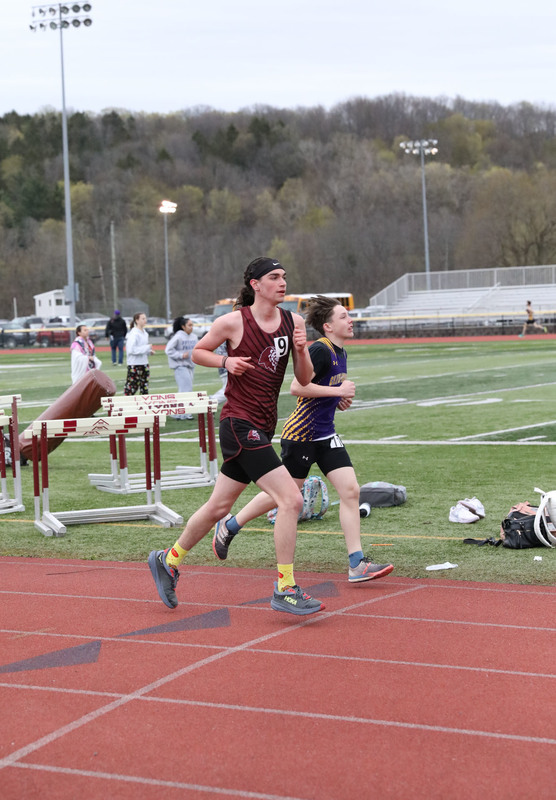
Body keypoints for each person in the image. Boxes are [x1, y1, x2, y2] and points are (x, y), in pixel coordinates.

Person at [148, 256, 325, 616]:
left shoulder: (293, 321)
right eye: (274, 277)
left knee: (218, 507)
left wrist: (303, 350)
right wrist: (225, 362)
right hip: (238, 424)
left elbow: (304, 380)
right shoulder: (232, 321)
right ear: (255, 284)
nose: (282, 282)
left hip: (262, 425)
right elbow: (198, 352)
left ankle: (169, 559)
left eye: (284, 276)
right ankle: (285, 587)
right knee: (290, 499)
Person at [212, 295, 394, 583]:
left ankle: (357, 564)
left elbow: (324, 390)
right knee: (285, 496)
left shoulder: (341, 351)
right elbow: (297, 387)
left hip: (326, 433)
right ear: (328, 326)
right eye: (344, 317)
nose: (351, 320)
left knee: (350, 491)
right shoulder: (320, 350)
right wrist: (337, 393)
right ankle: (231, 525)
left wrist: (338, 400)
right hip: (302, 435)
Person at [165, 316, 198, 419]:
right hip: (180, 366)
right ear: (183, 327)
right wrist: (180, 355)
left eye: (192, 325)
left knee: (186, 389)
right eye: (189, 325)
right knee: (186, 388)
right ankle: (184, 413)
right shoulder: (178, 337)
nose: (191, 327)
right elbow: (168, 350)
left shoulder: (194, 337)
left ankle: (179, 412)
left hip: (190, 365)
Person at [124, 312, 154, 395]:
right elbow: (131, 350)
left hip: (144, 363)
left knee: (144, 388)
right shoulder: (133, 334)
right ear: (137, 320)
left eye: (145, 318)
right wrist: (147, 347)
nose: (145, 320)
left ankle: (143, 406)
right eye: (143, 319)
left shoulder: (145, 333)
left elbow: (142, 348)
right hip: (134, 364)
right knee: (131, 388)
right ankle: (126, 405)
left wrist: (149, 352)